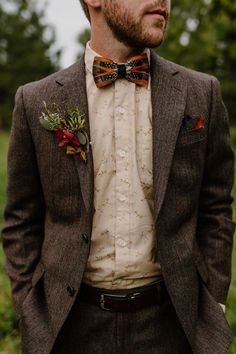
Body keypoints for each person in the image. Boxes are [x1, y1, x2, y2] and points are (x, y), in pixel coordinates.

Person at [2, 0, 235, 353]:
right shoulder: (36, 101)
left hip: (174, 327)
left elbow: (216, 206)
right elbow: (20, 220)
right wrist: (30, 309)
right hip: (69, 329)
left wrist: (214, 300)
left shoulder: (201, 93)